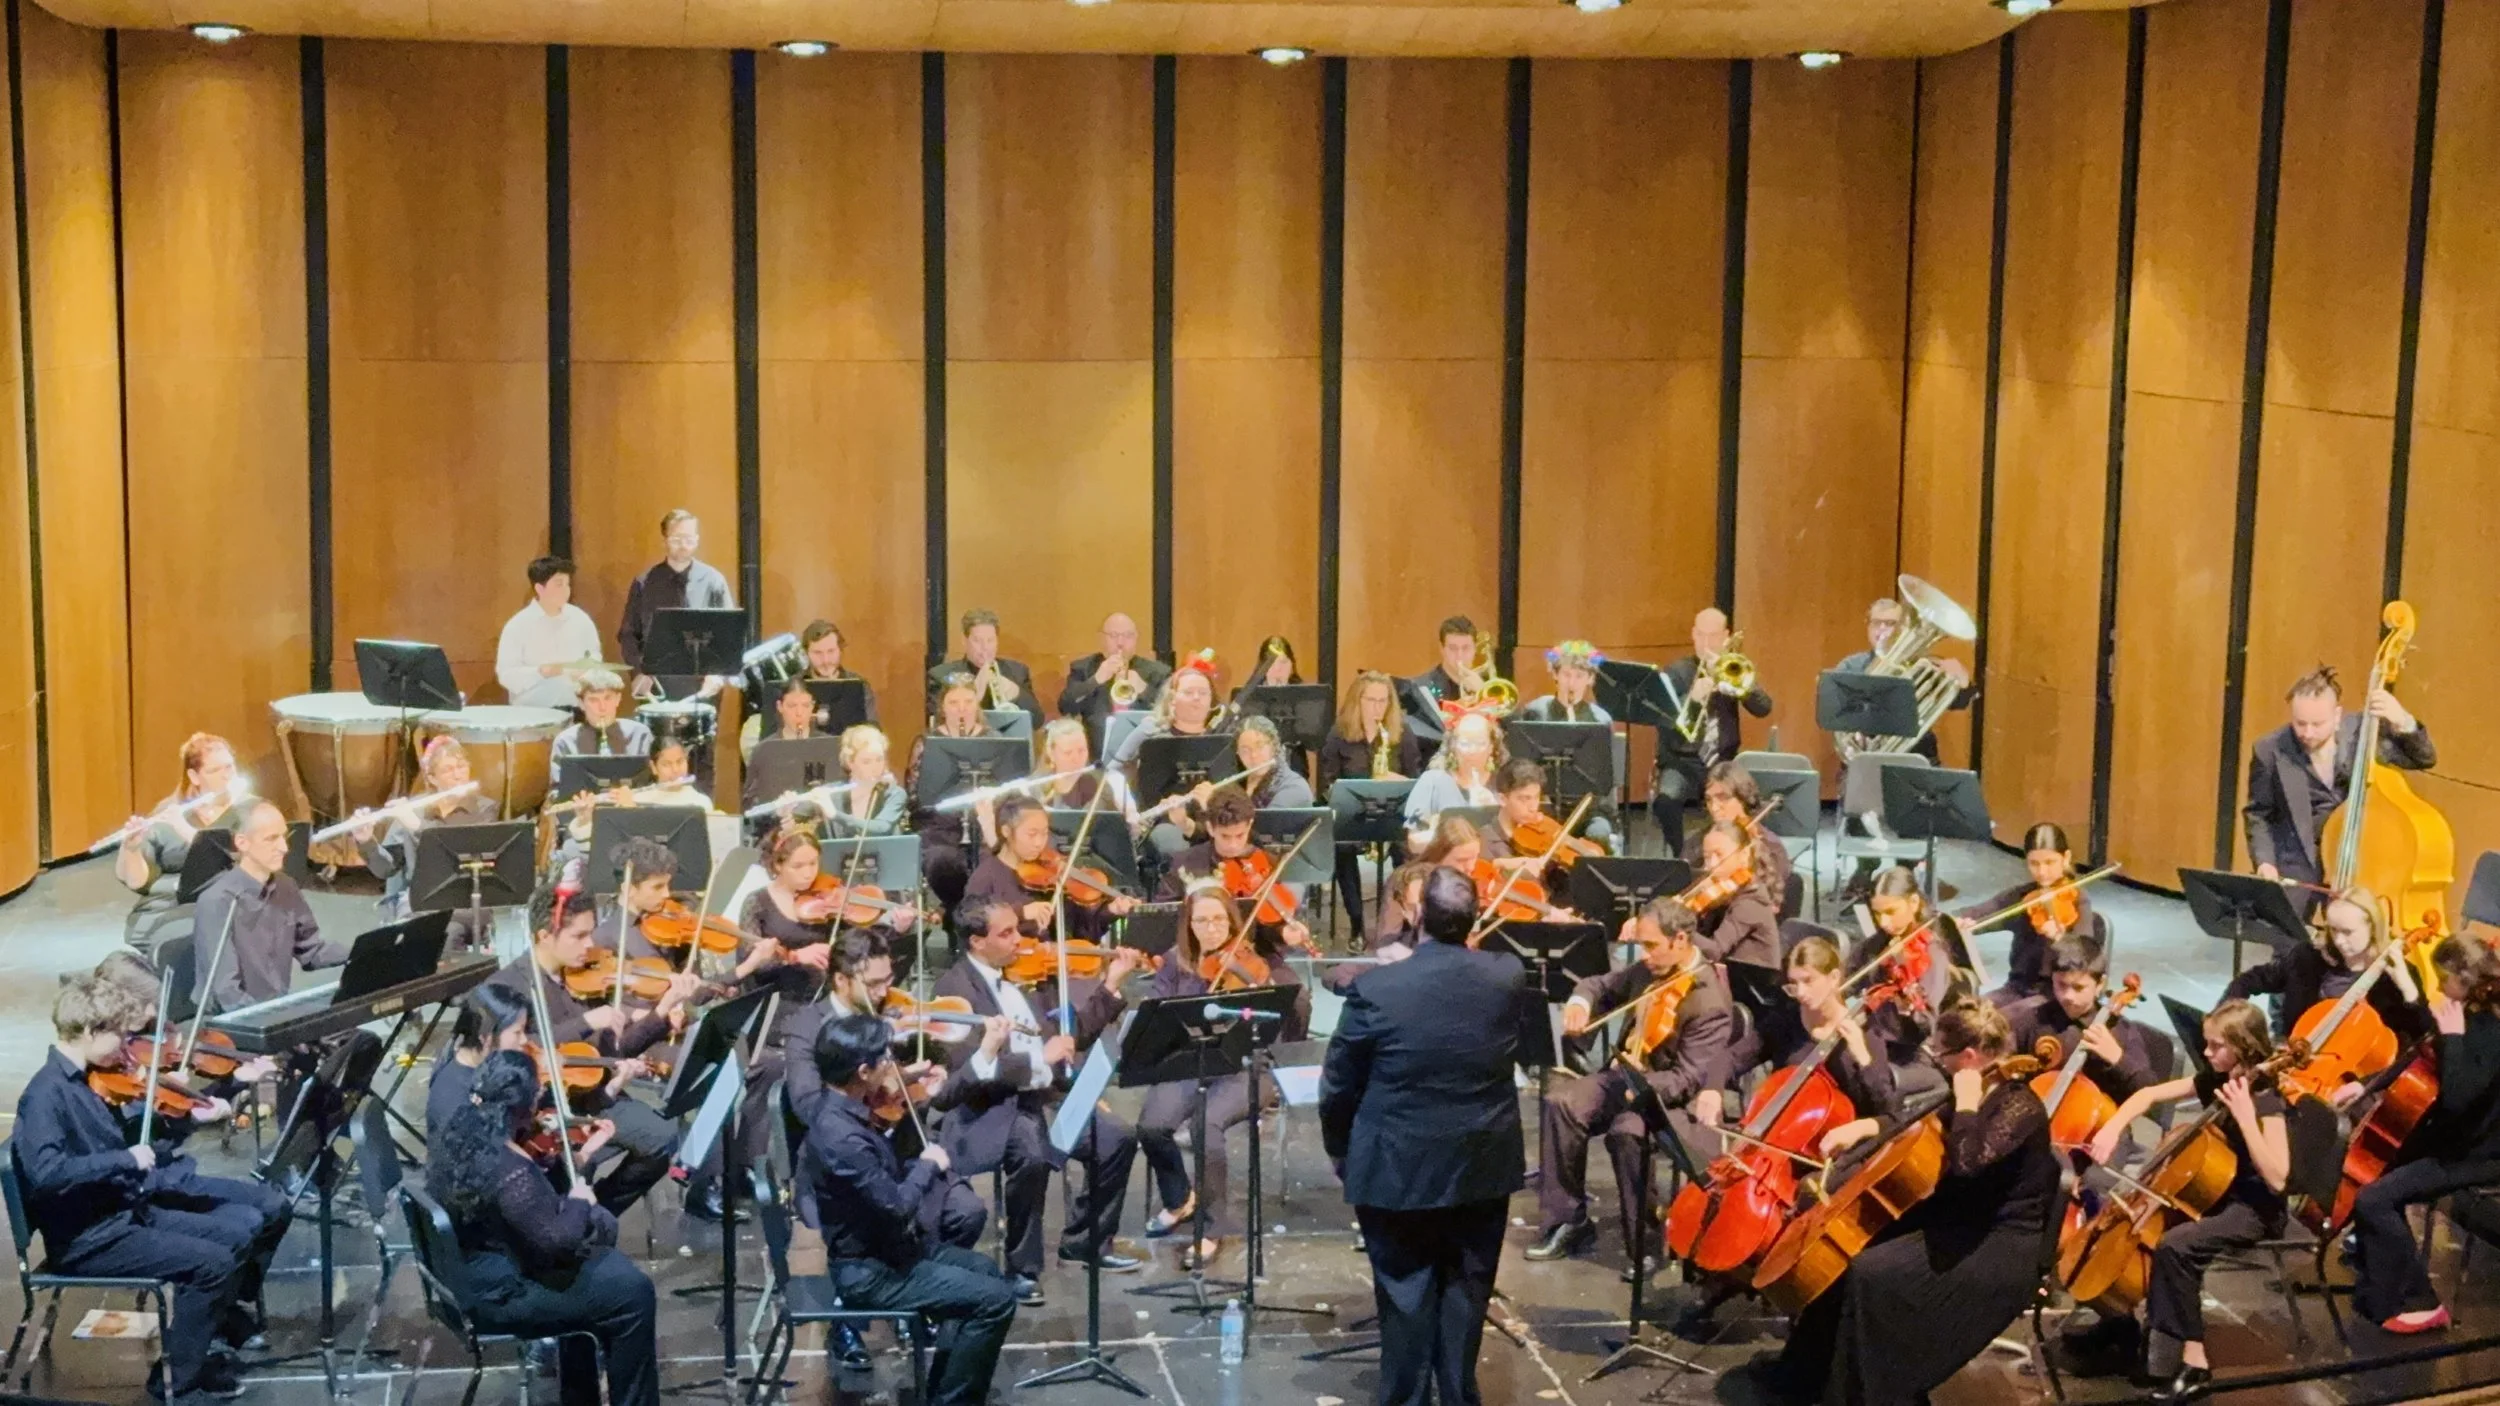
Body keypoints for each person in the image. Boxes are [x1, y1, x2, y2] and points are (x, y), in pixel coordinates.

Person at [1764, 999, 2059, 1406]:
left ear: (1969, 1057)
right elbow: (1921, 1120)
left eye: (1943, 1054)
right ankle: (1803, 1373)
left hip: (1997, 1242)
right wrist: (1868, 1126)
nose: (1939, 1062)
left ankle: (1865, 1394)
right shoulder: (1968, 1086)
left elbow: (1969, 1160)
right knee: (1851, 1251)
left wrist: (1969, 1102)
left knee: (1869, 1272)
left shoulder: (2020, 1105)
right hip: (1957, 1220)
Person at [1321, 868, 1532, 1406]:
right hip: (1481, 1159)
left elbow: (1339, 1085)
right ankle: (1459, 1392)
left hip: (1397, 1164)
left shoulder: (1376, 989)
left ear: (1417, 918)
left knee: (1405, 1288)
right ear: (1475, 920)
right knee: (1467, 1283)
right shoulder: (1508, 974)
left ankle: (1406, 1397)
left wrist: (1341, 1150)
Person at [17, 978, 251, 1404]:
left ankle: (197, 1350)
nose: (127, 1047)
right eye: (119, 1036)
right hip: (90, 1239)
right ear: (90, 1032)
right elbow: (45, 1173)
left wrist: (177, 1122)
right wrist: (124, 1159)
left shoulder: (88, 1080)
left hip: (123, 1211)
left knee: (237, 1232)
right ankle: (177, 1386)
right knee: (212, 1264)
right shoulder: (46, 1095)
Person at [928, 900, 1146, 1303]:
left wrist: (1111, 984)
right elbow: (973, 1066)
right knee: (1030, 1151)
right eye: (1006, 933)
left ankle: (1085, 1241)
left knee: (1117, 1137)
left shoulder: (1019, 982)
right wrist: (1036, 1059)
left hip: (1043, 1097)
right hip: (994, 1106)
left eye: (1018, 930)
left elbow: (1069, 1036)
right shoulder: (952, 991)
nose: (1020, 941)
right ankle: (1022, 1268)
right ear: (977, 942)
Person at [805, 1014, 1019, 1406]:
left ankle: (943, 1389)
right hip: (870, 1272)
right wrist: (929, 1163)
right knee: (996, 1301)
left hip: (889, 1251)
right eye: (884, 1060)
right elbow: (898, 1205)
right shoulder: (841, 1136)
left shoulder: (842, 1106)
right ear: (863, 1071)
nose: (891, 1066)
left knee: (987, 1272)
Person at [2083, 999, 2290, 1400]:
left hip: (2254, 1207)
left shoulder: (2265, 1099)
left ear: (2244, 1048)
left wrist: (2247, 1119)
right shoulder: (2219, 1079)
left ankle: (2194, 1363)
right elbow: (2148, 1096)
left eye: (2215, 1046)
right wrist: (2113, 1126)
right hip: (2214, 1192)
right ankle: (2141, 1335)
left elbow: (2279, 1178)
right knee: (2162, 1242)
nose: (2207, 1053)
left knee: (2176, 1247)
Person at [429, 1049, 658, 1406]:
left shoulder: (460, 1126)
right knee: (633, 1292)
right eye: (536, 1097)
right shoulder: (509, 1170)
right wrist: (581, 1199)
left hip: (465, 1275)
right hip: (497, 1295)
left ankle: (579, 1396)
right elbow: (557, 1243)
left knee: (605, 1272)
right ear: (521, 1107)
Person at [1530, 897, 1733, 1270]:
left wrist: (1640, 1087)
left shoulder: (1709, 1003)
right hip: (1625, 1076)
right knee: (1562, 1103)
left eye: (1652, 945)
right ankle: (1568, 1220)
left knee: (1626, 1133)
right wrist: (1579, 1001)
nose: (1644, 954)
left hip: (1664, 1101)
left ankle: (1645, 1245)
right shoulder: (1647, 970)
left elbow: (1686, 1079)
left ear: (1681, 940)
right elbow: (1598, 984)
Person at [487, 879, 696, 1217]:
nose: (591, 944)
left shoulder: (586, 976)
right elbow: (515, 1051)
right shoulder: (509, 986)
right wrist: (586, 1022)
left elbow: (616, 1051)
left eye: (591, 933)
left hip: (597, 1093)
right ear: (544, 936)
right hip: (547, 1111)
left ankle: (600, 1213)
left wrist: (661, 1010)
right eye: (579, 936)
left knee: (664, 1137)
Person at [1137, 885, 1313, 1270]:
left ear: (1233, 922)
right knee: (1152, 1126)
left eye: (1219, 919)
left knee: (1205, 1125)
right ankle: (1179, 1198)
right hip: (1189, 1061)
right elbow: (1156, 1010)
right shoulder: (1174, 962)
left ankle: (1211, 1227)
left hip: (1247, 1066)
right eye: (1202, 920)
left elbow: (1293, 1010)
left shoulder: (1256, 961)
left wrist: (1258, 989)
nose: (1212, 929)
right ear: (1189, 924)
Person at [783, 935, 988, 1252]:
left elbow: (909, 1080)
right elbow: (808, 1106)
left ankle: (934, 1281)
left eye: (888, 980)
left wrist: (914, 1078)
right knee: (901, 1227)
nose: (883, 993)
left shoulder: (890, 1013)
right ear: (840, 979)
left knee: (967, 1212)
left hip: (902, 1151)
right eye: (872, 984)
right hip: (845, 1171)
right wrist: (879, 1088)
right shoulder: (806, 1027)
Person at [2344, 931, 2500, 1334]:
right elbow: (2422, 1057)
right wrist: (2368, 1085)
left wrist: (2452, 1036)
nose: (2437, 986)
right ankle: (2377, 1276)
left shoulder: (2491, 1030)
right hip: (2453, 1139)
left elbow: (2457, 1097)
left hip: (2479, 1153)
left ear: (2465, 979)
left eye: (2443, 977)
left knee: (2374, 1199)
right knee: (2376, 1170)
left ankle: (2422, 1300)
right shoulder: (2463, 1013)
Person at [2243, 665, 2437, 890]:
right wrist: (2265, 862)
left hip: (2360, 858)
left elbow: (2424, 759)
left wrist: (2404, 721)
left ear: (2337, 716)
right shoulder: (2269, 749)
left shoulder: (2365, 733)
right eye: (2300, 723)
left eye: (2317, 724)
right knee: (2281, 921)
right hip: (2299, 861)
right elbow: (2258, 814)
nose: (2307, 733)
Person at [192, 801, 350, 1015]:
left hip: (276, 1010)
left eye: (283, 836)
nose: (284, 848)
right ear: (242, 843)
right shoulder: (217, 902)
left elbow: (312, 951)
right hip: (235, 1023)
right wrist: (279, 1023)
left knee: (363, 1042)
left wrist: (365, 950)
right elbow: (228, 994)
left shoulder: (286, 886)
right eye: (271, 839)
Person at [2223, 887, 2430, 1042]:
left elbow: (2421, 1037)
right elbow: (2251, 980)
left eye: (2347, 932)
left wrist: (2408, 991)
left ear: (2373, 927)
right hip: (2295, 1057)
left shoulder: (2396, 974)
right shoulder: (2309, 958)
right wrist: (2224, 1017)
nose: (2339, 940)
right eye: (2333, 930)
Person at [2005, 934, 2165, 1134]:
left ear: (2100, 985)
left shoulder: (2118, 1030)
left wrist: (2117, 1058)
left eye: (2079, 987)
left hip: (2100, 1133)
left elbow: (2149, 1091)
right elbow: (2002, 1062)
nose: (2068, 996)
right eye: (2061, 985)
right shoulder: (2034, 1020)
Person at [114, 732, 251, 956]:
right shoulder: (169, 812)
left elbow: (249, 866)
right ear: (194, 776)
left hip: (231, 902)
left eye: (230, 767)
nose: (227, 777)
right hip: (173, 906)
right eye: (215, 771)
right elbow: (138, 882)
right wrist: (130, 848)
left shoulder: (249, 809)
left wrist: (189, 833)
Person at [1318, 671, 1428, 943]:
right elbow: (1327, 782)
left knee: (1408, 851)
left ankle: (1400, 922)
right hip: (1354, 814)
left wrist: (1397, 779)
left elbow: (1418, 781)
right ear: (1358, 700)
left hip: (1394, 813)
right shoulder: (1339, 734)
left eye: (1383, 701)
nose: (1378, 707)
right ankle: (1357, 924)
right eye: (1371, 700)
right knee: (1341, 848)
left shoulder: (1402, 732)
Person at [1653, 608, 1774, 845]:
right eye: (1701, 635)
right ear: (1693, 635)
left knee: (1747, 799)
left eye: (1714, 636)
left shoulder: (1732, 667)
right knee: (1666, 799)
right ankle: (1682, 858)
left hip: (1723, 761)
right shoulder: (1676, 673)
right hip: (1682, 761)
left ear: (1726, 637)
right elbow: (1665, 723)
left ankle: (1736, 850)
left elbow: (1764, 708)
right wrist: (1692, 701)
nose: (1706, 643)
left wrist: (1743, 688)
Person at [352, 736, 501, 924]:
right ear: (432, 778)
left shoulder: (485, 810)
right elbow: (386, 869)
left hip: (464, 903)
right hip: (419, 902)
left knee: (444, 934)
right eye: (448, 770)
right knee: (404, 935)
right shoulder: (414, 809)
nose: (458, 775)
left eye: (462, 767)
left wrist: (418, 827)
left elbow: (455, 857)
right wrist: (367, 842)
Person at [963, 796, 1138, 944]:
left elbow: (1081, 930)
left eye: (1044, 833)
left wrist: (1110, 911)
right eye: (1032, 834)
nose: (1039, 843)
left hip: (1054, 966)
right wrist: (1020, 913)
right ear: (1007, 831)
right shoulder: (986, 876)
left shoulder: (1051, 875)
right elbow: (970, 925)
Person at [1968, 822, 2097, 1007]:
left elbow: (2085, 954)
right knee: (1971, 1014)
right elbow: (1984, 910)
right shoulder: (2024, 896)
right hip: (2017, 988)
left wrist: (2060, 938)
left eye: (2049, 862)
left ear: (2066, 858)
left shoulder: (2078, 899)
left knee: (2006, 1020)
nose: (2042, 872)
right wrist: (1960, 921)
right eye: (2034, 864)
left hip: (2055, 994)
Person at [905, 672, 997, 915]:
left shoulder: (994, 740)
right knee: (941, 860)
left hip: (984, 823)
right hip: (940, 826)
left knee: (992, 859)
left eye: (968, 702)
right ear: (943, 708)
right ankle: (958, 916)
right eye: (953, 703)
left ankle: (980, 921)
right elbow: (915, 798)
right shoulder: (928, 741)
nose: (961, 709)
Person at [616, 508, 734, 699]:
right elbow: (628, 634)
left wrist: (717, 673)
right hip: (656, 684)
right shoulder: (644, 583)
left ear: (697, 539)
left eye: (689, 539)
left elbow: (729, 633)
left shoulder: (713, 580)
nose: (683, 545)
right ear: (664, 540)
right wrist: (638, 672)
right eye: (676, 539)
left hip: (702, 685)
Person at [1681, 760, 1797, 920]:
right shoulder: (1698, 842)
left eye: (1723, 798)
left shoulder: (1771, 847)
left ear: (1744, 798)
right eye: (1709, 800)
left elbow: (1769, 902)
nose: (1714, 808)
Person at [495, 555, 604, 710]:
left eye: (568, 584)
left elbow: (594, 654)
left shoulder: (580, 618)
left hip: (577, 706)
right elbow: (506, 675)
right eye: (559, 584)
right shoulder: (518, 625)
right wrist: (540, 672)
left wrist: (585, 670)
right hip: (534, 710)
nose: (566, 590)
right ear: (540, 588)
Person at [426, 983, 536, 1134]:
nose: (524, 1040)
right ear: (485, 1038)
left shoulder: (478, 1068)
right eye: (517, 1032)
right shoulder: (459, 1096)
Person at [1058, 611, 1170, 753]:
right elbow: (1065, 706)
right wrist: (1096, 680)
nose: (1120, 643)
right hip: (1096, 754)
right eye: (1113, 636)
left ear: (1136, 639)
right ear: (1101, 639)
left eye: (1128, 636)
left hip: (1144, 753)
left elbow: (1169, 712)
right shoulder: (1083, 668)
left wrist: (1144, 689)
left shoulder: (1158, 672)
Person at [926, 607, 1044, 728]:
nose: (985, 647)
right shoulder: (941, 675)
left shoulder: (1018, 671)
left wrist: (1017, 693)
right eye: (977, 641)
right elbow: (938, 724)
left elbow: (1037, 722)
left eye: (990, 640)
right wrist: (975, 694)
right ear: (964, 641)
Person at [1401, 710, 1501, 850]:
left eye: (1481, 744)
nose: (1473, 750)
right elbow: (1414, 844)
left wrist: (1494, 811)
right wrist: (1452, 834)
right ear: (1453, 746)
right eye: (1465, 744)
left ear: (1491, 747)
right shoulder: (1432, 781)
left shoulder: (1505, 782)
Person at [1691, 821, 1780, 972]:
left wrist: (1677, 928)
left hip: (1749, 986)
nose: (1711, 865)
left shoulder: (1751, 902)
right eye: (1707, 857)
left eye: (1719, 855)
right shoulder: (1723, 895)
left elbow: (1714, 951)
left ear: (1744, 855)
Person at [1403, 614, 1486, 742]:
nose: (1460, 655)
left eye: (1466, 648)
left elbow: (1505, 729)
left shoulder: (1485, 686)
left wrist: (1483, 695)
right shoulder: (1422, 687)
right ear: (1442, 649)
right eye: (1453, 648)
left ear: (1475, 649)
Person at [550, 669, 654, 760]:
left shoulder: (640, 734)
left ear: (618, 699)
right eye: (593, 700)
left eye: (608, 698)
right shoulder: (565, 741)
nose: (602, 707)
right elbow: (560, 781)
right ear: (581, 704)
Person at [1520, 639, 1614, 724]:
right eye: (1566, 675)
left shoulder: (1600, 720)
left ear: (1590, 678)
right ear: (1555, 674)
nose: (1571, 683)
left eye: (1579, 676)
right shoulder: (1535, 711)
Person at [739, 676, 826, 766]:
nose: (799, 713)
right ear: (780, 706)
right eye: (792, 706)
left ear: (812, 706)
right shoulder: (764, 750)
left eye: (805, 705)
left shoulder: (828, 745)